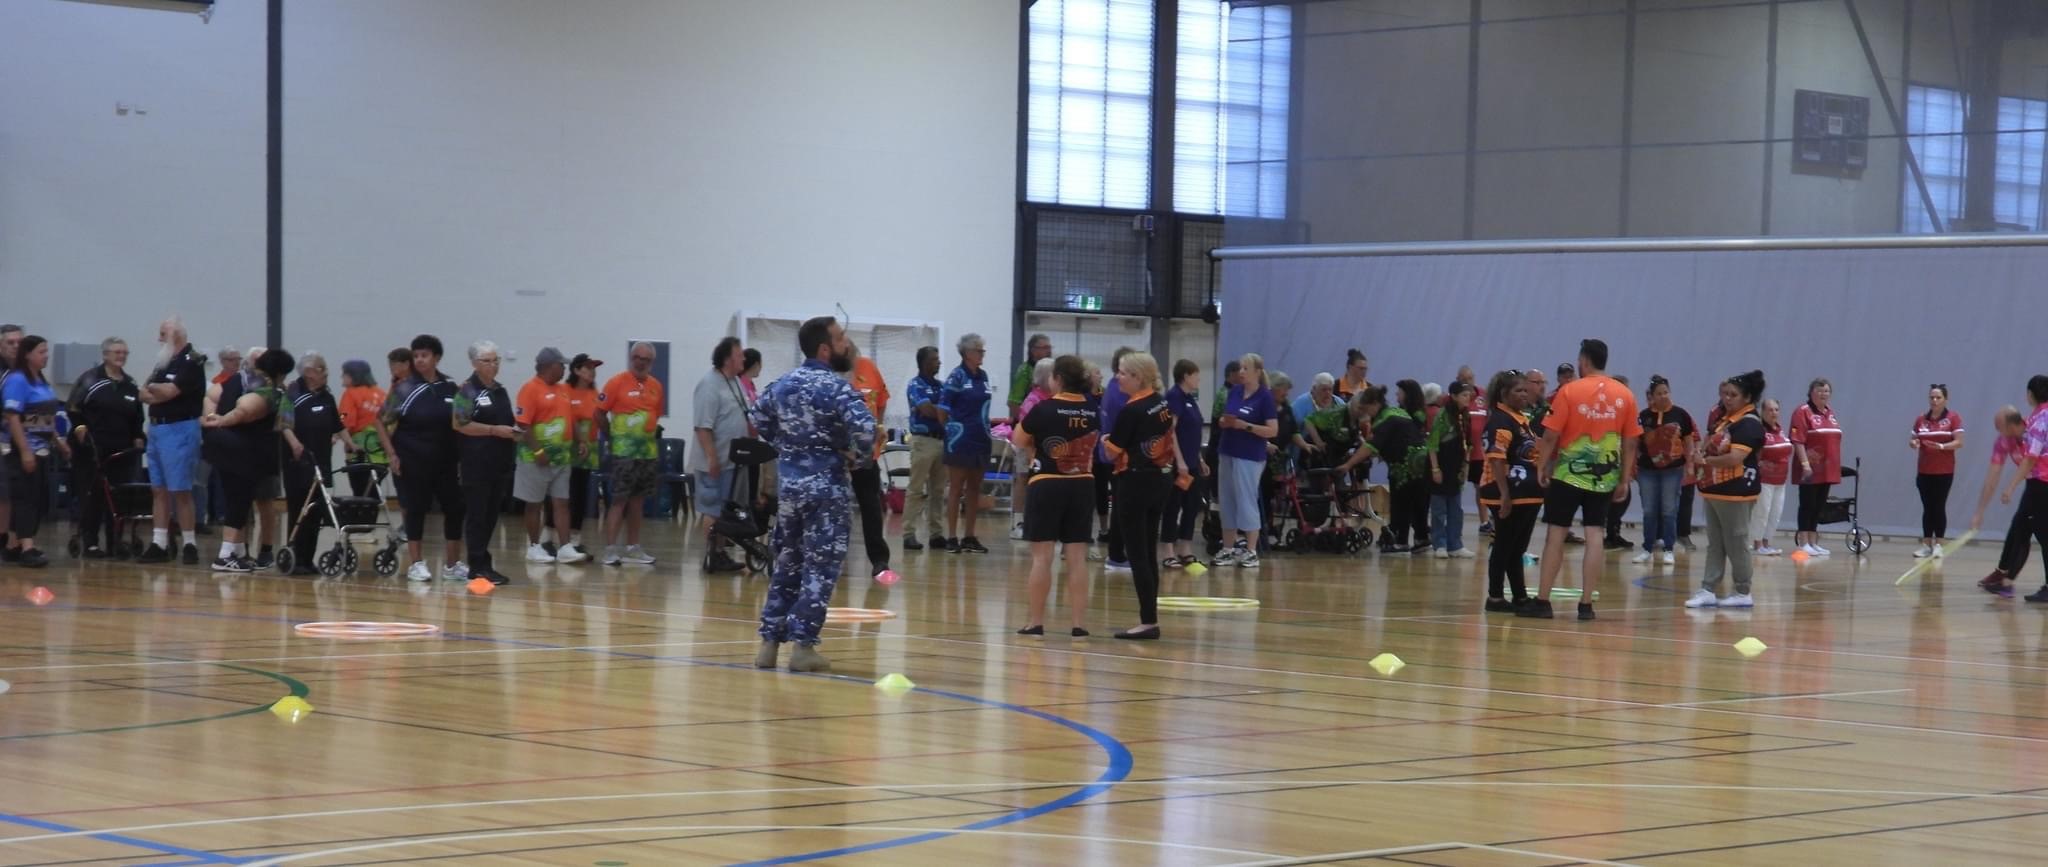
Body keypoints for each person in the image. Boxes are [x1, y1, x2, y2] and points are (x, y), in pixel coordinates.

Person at [752, 316, 875, 672]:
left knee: (787, 563)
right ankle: (803, 647)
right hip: (826, 490)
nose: (846, 344)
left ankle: (769, 644)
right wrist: (859, 459)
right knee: (820, 569)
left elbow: (758, 417)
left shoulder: (783, 384)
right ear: (825, 348)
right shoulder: (835, 388)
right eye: (840, 339)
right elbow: (865, 430)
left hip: (790, 488)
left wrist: (788, 446)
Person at [1523, 339, 1641, 621]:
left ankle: (1543, 601)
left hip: (1567, 475)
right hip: (1605, 477)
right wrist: (1624, 479)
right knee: (1594, 535)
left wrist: (1542, 464)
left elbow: (1550, 434)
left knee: (1556, 534)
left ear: (1584, 360)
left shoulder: (1569, 391)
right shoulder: (1625, 395)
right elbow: (1631, 442)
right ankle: (1586, 605)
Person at [1012, 354, 1098, 638]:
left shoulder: (1045, 409)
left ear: (1058, 378)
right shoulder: (1092, 409)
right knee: (1076, 557)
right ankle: (1079, 624)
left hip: (1047, 483)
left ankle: (1036, 622)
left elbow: (1017, 440)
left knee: (1042, 557)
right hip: (1082, 484)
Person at [1104, 352, 1182, 640]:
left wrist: (1104, 441)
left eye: (1123, 373)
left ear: (1138, 377)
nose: (1117, 377)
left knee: (1137, 553)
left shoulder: (1131, 410)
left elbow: (1112, 450)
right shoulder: (1161, 403)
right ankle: (1150, 616)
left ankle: (1148, 620)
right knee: (1148, 551)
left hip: (1135, 482)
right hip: (1159, 479)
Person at [376, 334, 467, 581]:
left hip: (446, 461)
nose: (419, 360)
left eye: (424, 355)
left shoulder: (450, 387)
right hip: (412, 459)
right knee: (415, 510)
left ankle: (452, 564)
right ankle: (417, 563)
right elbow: (380, 421)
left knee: (455, 508)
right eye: (416, 356)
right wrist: (392, 453)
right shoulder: (404, 388)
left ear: (436, 358)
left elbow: (462, 421)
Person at [198, 348, 293, 572]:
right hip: (240, 449)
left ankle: (238, 552)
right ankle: (226, 555)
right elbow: (246, 408)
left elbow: (211, 395)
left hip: (224, 447)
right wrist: (222, 420)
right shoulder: (267, 389)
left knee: (236, 498)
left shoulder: (236, 378)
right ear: (279, 372)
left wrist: (210, 417)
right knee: (238, 500)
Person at [1687, 371, 1767, 608]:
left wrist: (1706, 462)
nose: (1727, 399)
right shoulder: (1725, 420)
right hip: (1714, 489)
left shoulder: (1749, 423)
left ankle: (1743, 591)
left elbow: (1735, 457)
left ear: (1747, 397)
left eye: (1733, 395)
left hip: (1737, 491)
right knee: (1716, 543)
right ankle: (1708, 588)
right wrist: (1699, 453)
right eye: (1725, 394)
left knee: (1736, 541)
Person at [137, 317, 207, 566]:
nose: (158, 339)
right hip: (157, 429)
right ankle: (159, 542)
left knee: (181, 489)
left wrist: (157, 392)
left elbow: (170, 392)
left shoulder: (192, 361)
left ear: (175, 336)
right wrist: (158, 392)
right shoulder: (163, 363)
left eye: (162, 333)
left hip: (179, 429)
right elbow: (143, 393)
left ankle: (189, 543)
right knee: (158, 488)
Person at [67, 338, 144, 559]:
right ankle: (90, 542)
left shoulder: (130, 384)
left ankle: (116, 541)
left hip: (122, 451)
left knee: (118, 497)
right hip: (92, 450)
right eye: (117, 352)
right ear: (106, 355)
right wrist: (81, 429)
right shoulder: (91, 379)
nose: (121, 356)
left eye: (125, 352)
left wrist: (138, 436)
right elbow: (73, 408)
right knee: (93, 494)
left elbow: (137, 417)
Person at [450, 341, 519, 585]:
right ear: (474, 364)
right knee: (477, 515)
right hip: (476, 463)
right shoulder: (467, 391)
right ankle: (477, 564)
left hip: (499, 463)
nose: (493, 365)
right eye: (487, 361)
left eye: (496, 360)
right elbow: (460, 424)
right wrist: (492, 430)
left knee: (491, 515)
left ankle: (483, 561)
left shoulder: (500, 390)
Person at [515, 348, 590, 565]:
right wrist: (538, 451)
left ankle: (565, 547)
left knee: (562, 502)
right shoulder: (529, 389)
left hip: (561, 458)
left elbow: (571, 419)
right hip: (534, 458)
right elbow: (523, 424)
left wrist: (581, 441)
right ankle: (534, 546)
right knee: (534, 504)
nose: (565, 368)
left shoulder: (563, 390)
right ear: (549, 366)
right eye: (561, 365)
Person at [594, 343, 664, 566]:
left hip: (647, 453)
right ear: (631, 358)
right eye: (636, 357)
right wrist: (612, 435)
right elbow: (599, 414)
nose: (640, 361)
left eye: (645, 359)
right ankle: (610, 549)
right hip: (623, 453)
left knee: (638, 501)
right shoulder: (616, 383)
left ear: (651, 362)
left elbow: (655, 415)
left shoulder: (656, 386)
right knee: (619, 500)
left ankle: (633, 548)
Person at [2, 336, 69, 567]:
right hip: (22, 448)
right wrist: (25, 451)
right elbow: (13, 417)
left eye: (47, 351)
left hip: (43, 448)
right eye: (41, 351)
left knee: (37, 497)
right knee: (25, 498)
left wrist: (58, 440)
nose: (46, 356)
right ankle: (27, 547)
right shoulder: (17, 380)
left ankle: (13, 544)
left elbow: (44, 417)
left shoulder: (40, 380)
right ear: (28, 354)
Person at [1340, 382, 1428, 554]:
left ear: (1374, 405)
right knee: (1419, 503)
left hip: (1404, 467)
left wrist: (1348, 464)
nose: (1365, 415)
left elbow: (1370, 447)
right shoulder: (1399, 412)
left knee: (1401, 503)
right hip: (1421, 462)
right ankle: (1422, 538)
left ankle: (1400, 542)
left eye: (1365, 410)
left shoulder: (1384, 420)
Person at [1478, 370, 1541, 612]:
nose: (1524, 394)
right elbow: (1496, 459)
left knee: (1518, 549)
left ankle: (1520, 596)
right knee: (1504, 545)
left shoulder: (1520, 419)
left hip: (1527, 493)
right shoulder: (1500, 421)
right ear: (1504, 394)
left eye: (1526, 390)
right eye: (1519, 390)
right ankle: (1494, 597)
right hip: (1507, 492)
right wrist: (1505, 495)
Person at [689, 337, 751, 573]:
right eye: (740, 354)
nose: (744, 358)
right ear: (727, 358)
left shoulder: (734, 382)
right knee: (713, 509)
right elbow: (703, 426)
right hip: (714, 462)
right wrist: (712, 457)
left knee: (725, 510)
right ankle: (712, 555)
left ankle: (721, 552)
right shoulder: (709, 385)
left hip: (732, 462)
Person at [280, 353, 342, 575]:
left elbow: (338, 424)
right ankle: (294, 557)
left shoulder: (327, 396)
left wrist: (352, 444)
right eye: (321, 368)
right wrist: (295, 444)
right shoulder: (293, 393)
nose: (326, 372)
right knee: (300, 509)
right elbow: (284, 423)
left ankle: (308, 559)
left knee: (316, 511)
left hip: (321, 462)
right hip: (299, 462)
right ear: (308, 372)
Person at [1215, 353, 1278, 567]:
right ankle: (1228, 548)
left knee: (1246, 499)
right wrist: (1225, 422)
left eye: (1245, 368)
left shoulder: (1265, 397)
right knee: (1227, 499)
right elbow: (1227, 416)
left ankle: (1251, 550)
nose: (1241, 372)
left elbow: (1272, 430)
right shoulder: (1234, 391)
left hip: (1250, 455)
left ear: (1257, 372)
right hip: (1228, 449)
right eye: (1240, 368)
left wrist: (1246, 426)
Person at [541, 354, 604, 557]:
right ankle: (548, 538)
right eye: (587, 367)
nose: (592, 371)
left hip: (589, 449)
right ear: (576, 370)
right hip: (567, 448)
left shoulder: (596, 393)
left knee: (580, 494)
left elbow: (601, 417)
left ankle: (575, 540)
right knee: (559, 495)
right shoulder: (565, 391)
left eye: (594, 368)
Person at [1633, 375, 1696, 566]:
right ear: (1651, 396)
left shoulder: (1681, 415)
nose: (1663, 396)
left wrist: (1690, 464)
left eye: (1666, 392)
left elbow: (1689, 441)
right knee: (1649, 510)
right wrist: (1633, 464)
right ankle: (1647, 548)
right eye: (1659, 393)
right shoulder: (1643, 416)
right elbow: (1635, 442)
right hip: (1647, 470)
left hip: (1673, 470)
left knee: (1669, 509)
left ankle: (1669, 548)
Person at [939, 333, 994, 554]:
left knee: (974, 489)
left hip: (981, 439)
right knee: (956, 488)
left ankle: (969, 536)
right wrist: (952, 431)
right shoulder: (956, 376)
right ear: (967, 353)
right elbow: (942, 410)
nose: (982, 354)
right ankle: (952, 536)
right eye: (979, 351)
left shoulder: (984, 376)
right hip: (959, 440)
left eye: (983, 351)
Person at [1972, 405, 2031, 597]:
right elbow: (1992, 477)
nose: (1998, 432)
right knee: (2017, 528)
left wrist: (2011, 487)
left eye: (2000, 427)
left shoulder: (2036, 430)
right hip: (2035, 487)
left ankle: (2007, 583)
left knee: (2023, 529)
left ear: (2012, 425)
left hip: (2042, 487)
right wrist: (1979, 512)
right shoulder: (2004, 442)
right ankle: (2003, 574)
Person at [846, 342, 892, 577]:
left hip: (865, 452)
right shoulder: (832, 375)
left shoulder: (869, 368)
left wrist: (879, 425)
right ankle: (835, 556)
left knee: (871, 505)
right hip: (840, 453)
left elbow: (881, 400)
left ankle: (879, 560)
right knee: (837, 505)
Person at [1159, 359, 1207, 569]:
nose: (1199, 379)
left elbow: (1193, 432)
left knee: (1192, 505)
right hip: (1178, 464)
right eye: (1196, 375)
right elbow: (1171, 431)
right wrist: (1179, 461)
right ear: (1186, 376)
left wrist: (1199, 459)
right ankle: (1168, 550)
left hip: (1192, 462)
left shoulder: (1190, 399)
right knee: (1173, 505)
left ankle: (1185, 548)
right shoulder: (1174, 397)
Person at [901, 346, 949, 551]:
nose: (938, 362)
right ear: (923, 363)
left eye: (938, 359)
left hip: (942, 440)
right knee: (916, 489)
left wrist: (941, 411)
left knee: (938, 490)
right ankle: (908, 533)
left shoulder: (942, 386)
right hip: (923, 441)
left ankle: (936, 534)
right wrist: (942, 411)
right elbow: (927, 410)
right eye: (934, 359)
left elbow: (949, 409)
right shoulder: (915, 385)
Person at [1789, 378, 1843, 558]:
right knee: (1807, 504)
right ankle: (1803, 542)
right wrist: (1805, 465)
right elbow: (1797, 441)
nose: (1823, 394)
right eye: (1819, 391)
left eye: (1826, 391)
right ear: (1811, 393)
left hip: (1828, 470)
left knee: (1819, 506)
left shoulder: (1830, 413)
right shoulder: (1802, 412)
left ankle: (1813, 542)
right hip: (1810, 469)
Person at [2006, 377, 2048, 604]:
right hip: (2040, 484)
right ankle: (2005, 577)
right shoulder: (2038, 417)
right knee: (2022, 525)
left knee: (2043, 534)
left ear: (2031, 393)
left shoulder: (2041, 418)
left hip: (2041, 483)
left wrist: (2011, 486)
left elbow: (2031, 457)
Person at [1910, 384, 1964, 558]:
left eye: (1938, 397)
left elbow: (1959, 442)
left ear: (1945, 400)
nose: (1934, 400)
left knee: (1938, 506)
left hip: (1944, 472)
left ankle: (1939, 544)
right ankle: (1926, 544)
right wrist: (1914, 443)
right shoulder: (1921, 419)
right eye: (1932, 397)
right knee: (1927, 507)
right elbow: (1914, 439)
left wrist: (1941, 446)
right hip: (1924, 471)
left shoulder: (1953, 418)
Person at [1427, 380, 1476, 558]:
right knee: (1439, 509)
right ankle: (1439, 543)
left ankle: (1455, 544)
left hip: (1457, 467)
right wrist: (1435, 469)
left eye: (1469, 395)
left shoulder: (1465, 416)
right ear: (1453, 396)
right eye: (1464, 395)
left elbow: (1468, 444)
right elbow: (1432, 444)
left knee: (1456, 509)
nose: (1467, 398)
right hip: (1441, 466)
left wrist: (1466, 466)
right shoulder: (1442, 415)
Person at [1010, 357, 1056, 541]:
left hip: (1046, 449)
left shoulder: (1053, 397)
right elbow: (1026, 431)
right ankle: (1019, 523)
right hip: (1027, 447)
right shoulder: (1033, 399)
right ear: (1045, 377)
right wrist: (1032, 455)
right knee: (1023, 481)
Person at [337, 360, 388, 499]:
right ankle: (373, 517)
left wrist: (335, 434)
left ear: (352, 376)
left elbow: (344, 419)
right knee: (374, 493)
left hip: (359, 452)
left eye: (344, 374)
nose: (341, 377)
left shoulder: (351, 394)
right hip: (381, 453)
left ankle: (362, 520)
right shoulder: (382, 394)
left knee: (360, 494)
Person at [1751, 399, 1793, 556]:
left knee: (1775, 513)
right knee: (1762, 512)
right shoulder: (1759, 430)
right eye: (1770, 410)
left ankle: (1767, 542)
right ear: (1762, 412)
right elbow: (1754, 455)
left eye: (1776, 409)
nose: (1773, 413)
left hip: (1780, 480)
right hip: (1764, 480)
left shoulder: (1780, 430)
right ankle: (1757, 543)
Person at [1008, 332, 1052, 424]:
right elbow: (1013, 403)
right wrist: (1024, 424)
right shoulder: (1025, 370)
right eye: (1044, 348)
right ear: (1033, 350)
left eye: (1049, 347)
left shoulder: (1052, 369)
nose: (1048, 351)